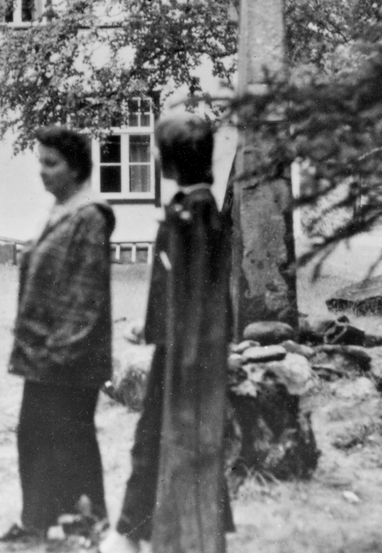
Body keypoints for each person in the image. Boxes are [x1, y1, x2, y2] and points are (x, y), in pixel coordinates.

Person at [101, 113, 234, 553]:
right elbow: (179, 289)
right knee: (154, 438)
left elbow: (200, 297)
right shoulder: (192, 208)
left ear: (176, 156)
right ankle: (140, 531)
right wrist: (152, 326)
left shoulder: (192, 213)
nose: (154, 156)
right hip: (177, 346)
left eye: (159, 149)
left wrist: (184, 354)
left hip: (185, 356)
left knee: (158, 438)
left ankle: (138, 534)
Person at [0, 126, 116, 544]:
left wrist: (60, 353)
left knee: (68, 435)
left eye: (52, 163)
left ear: (76, 167)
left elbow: (86, 297)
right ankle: (40, 521)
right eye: (40, 163)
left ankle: (86, 522)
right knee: (37, 436)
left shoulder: (89, 217)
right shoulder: (61, 210)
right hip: (46, 354)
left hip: (69, 357)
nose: (43, 172)